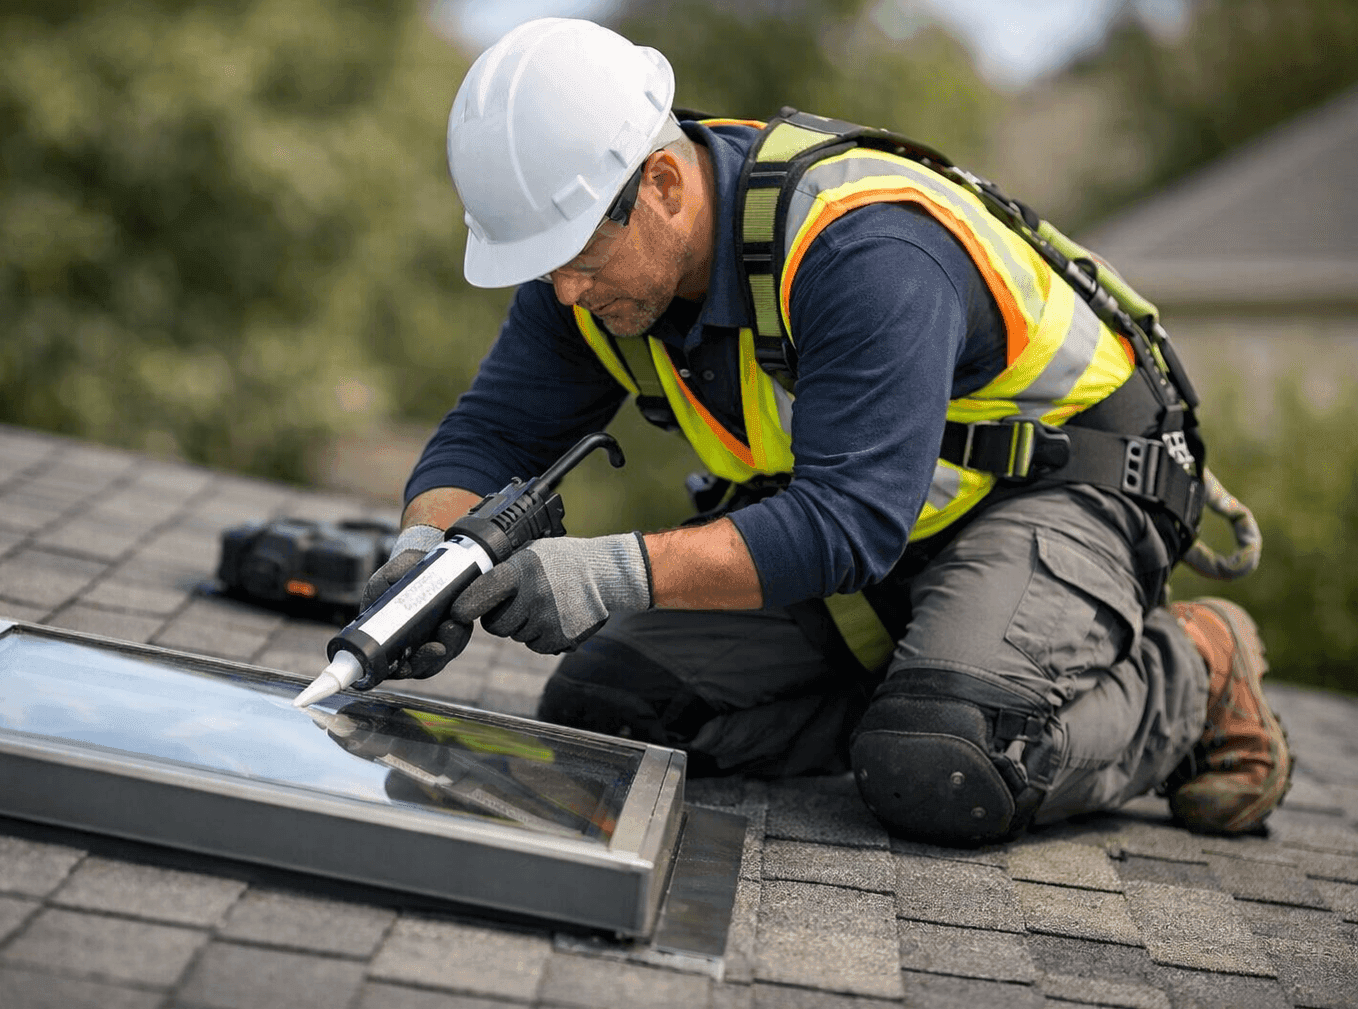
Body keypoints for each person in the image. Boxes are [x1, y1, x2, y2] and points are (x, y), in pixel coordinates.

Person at [363, 17, 1292, 845]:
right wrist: (425, 554)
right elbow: (493, 434)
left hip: (1061, 490)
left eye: (577, 259)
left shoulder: (861, 246)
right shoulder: (586, 272)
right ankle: (933, 682)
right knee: (607, 710)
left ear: (663, 184)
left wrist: (608, 573)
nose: (565, 292)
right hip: (899, 532)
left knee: (947, 763)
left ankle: (1192, 667)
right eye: (542, 267)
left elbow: (850, 521)